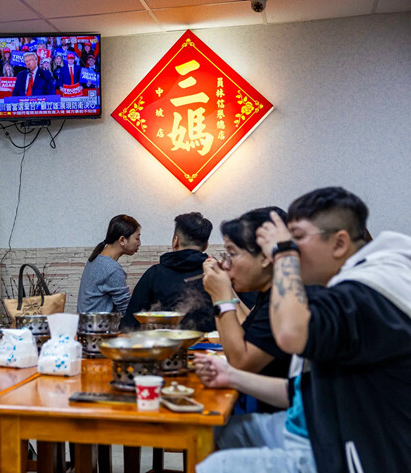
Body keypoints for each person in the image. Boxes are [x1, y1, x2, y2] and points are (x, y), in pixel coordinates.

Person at [255, 187, 411, 473]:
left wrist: (283, 255)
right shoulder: (376, 279)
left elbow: (291, 334)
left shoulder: (364, 294)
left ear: (339, 244)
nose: (292, 246)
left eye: (298, 237)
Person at [202, 207, 293, 411]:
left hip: (288, 421)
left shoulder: (284, 298)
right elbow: (243, 336)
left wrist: (221, 296)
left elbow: (240, 362)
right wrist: (223, 293)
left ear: (265, 257)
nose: (226, 264)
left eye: (232, 253)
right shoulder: (269, 291)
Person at [193, 354, 316, 473]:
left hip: (318, 448)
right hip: (298, 424)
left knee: (216, 466)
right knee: (214, 432)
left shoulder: (328, 352)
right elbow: (293, 393)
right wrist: (230, 376)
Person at [123, 212, 215, 332]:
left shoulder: (154, 274)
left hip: (164, 347)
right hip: (213, 348)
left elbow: (130, 323)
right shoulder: (218, 274)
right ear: (206, 245)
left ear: (176, 241)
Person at [77, 214, 141, 315]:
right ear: (122, 240)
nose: (139, 243)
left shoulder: (95, 259)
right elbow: (127, 311)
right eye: (137, 238)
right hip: (99, 328)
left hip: (85, 326)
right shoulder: (112, 269)